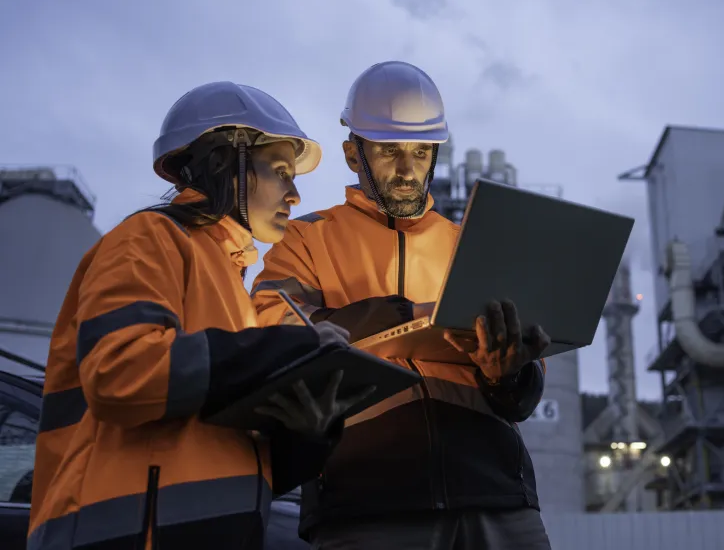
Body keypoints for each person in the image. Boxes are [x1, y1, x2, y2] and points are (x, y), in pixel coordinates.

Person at [27, 82, 371, 550]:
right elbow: (120, 371)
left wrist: (307, 433)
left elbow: (234, 452)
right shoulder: (148, 239)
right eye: (282, 172)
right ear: (226, 163)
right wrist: (283, 349)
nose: (294, 195)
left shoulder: (231, 285)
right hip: (120, 533)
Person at [251, 61, 554, 550]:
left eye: (420, 151)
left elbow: (524, 392)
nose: (409, 169)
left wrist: (509, 373)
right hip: (366, 500)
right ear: (354, 154)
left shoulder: (470, 243)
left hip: (497, 496)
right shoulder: (306, 239)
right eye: (389, 150)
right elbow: (272, 330)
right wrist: (392, 318)